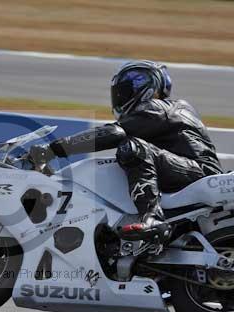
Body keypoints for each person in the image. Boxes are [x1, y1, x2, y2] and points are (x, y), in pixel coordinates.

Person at [32, 60, 222, 242]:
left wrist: (54, 148)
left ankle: (152, 217)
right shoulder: (163, 113)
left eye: (124, 90)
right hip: (185, 171)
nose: (120, 95)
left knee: (132, 148)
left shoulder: (160, 108)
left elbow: (114, 133)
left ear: (146, 88)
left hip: (200, 172)